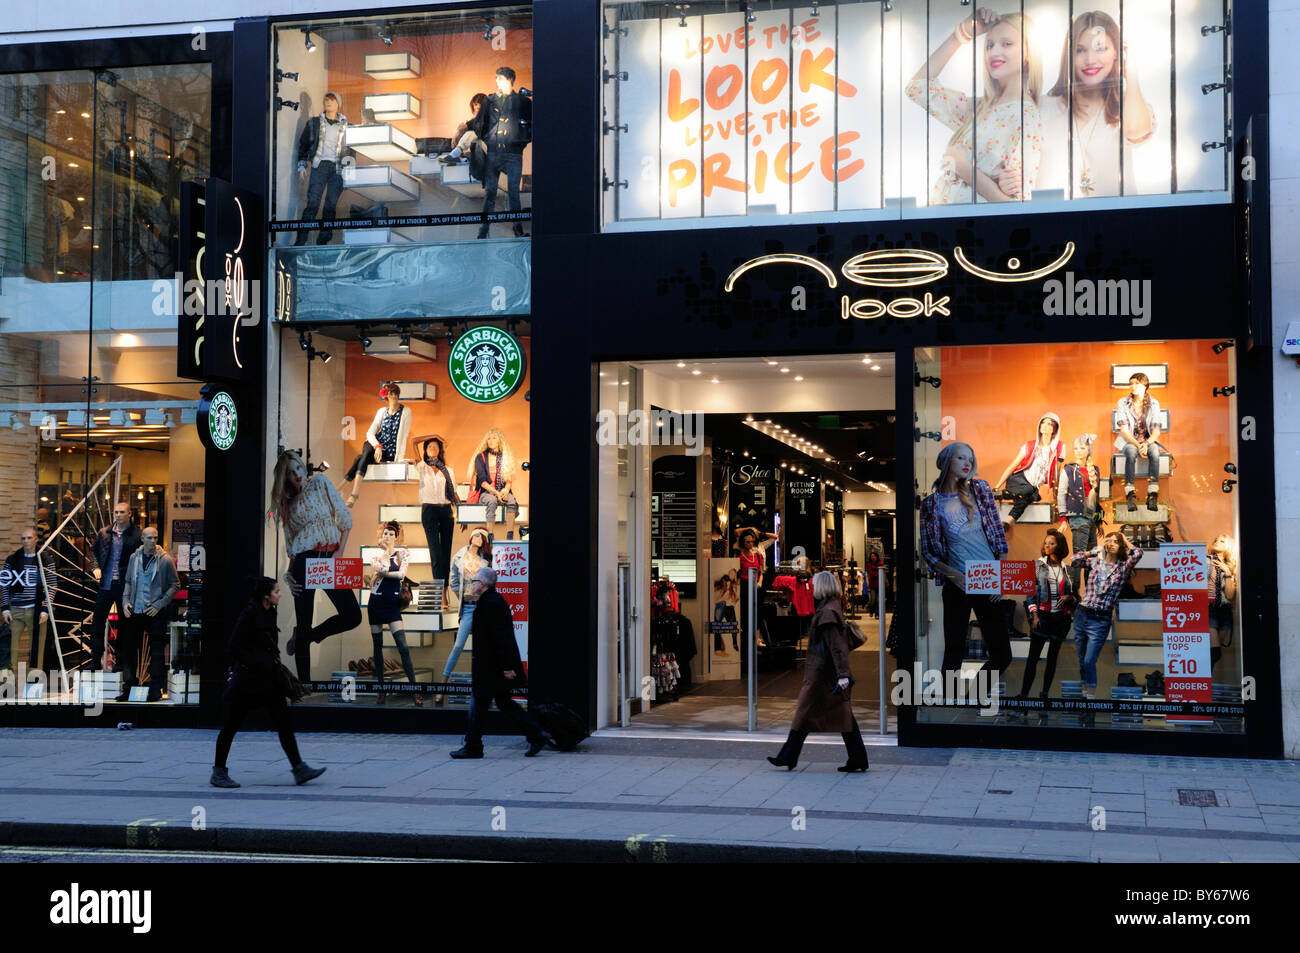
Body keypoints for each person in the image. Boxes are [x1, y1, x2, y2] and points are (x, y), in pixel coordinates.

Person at [906, 8, 1042, 205]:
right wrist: (961, 34)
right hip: (944, 222)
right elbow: (917, 88)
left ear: (1029, 52)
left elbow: (1017, 207)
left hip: (974, 228)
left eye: (1007, 44)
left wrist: (964, 168)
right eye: (989, 45)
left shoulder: (1025, 116)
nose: (994, 52)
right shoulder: (980, 108)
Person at [211, 577, 326, 788]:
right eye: (276, 591)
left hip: (269, 681)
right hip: (248, 683)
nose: (280, 594)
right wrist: (255, 662)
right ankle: (218, 772)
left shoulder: (270, 611)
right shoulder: (249, 615)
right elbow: (234, 647)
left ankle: (299, 768)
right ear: (266, 596)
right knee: (231, 726)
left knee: (283, 723)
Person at [919, 442, 1013, 679]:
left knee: (1002, 654)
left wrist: (998, 579)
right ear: (948, 462)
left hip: (986, 576)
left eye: (969, 458)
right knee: (954, 651)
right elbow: (928, 552)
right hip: (957, 582)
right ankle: (946, 705)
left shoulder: (980, 489)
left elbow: (1000, 539)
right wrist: (953, 575)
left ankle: (975, 697)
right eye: (961, 458)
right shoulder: (931, 504)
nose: (967, 463)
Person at [1040, 11, 1154, 198]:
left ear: (1117, 53)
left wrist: (1130, 72)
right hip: (1056, 221)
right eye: (1080, 50)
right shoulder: (1044, 106)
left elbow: (1135, 131)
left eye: (1100, 48)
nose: (1090, 60)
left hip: (1115, 220)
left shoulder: (1127, 106)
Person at [271, 450, 362, 683]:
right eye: (291, 473)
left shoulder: (320, 482)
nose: (297, 475)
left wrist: (339, 554)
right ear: (285, 478)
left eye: (299, 468)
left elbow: (344, 518)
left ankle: (309, 636)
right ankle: (304, 685)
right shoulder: (287, 503)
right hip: (304, 562)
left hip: (329, 556)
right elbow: (291, 541)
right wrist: (290, 574)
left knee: (352, 615)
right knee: (303, 621)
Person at [767, 571, 868, 773]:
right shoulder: (829, 608)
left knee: (807, 713)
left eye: (814, 585)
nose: (811, 588)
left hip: (822, 674)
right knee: (840, 715)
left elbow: (837, 647)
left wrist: (843, 675)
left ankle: (788, 756)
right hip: (825, 672)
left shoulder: (827, 612)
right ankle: (856, 758)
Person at [449, 568, 549, 759]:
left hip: (491, 668)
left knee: (480, 705)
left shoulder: (492, 604)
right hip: (491, 667)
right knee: (503, 704)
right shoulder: (488, 602)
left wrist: (508, 667)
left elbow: (502, 638)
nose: (473, 583)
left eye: (476, 580)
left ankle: (473, 746)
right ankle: (535, 736)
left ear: (484, 583)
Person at [1066, 532, 1144, 699]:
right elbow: (1073, 561)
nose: (1111, 543)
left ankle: (1091, 701)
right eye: (1109, 540)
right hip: (1082, 614)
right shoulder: (1096, 561)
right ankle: (1084, 695)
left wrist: (1123, 537)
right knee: (1081, 660)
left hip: (1100, 619)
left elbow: (1138, 553)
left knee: (1089, 660)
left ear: (1121, 545)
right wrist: (1092, 551)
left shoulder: (1123, 566)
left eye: (1116, 542)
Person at [118, 526, 180, 702]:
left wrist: (160, 604)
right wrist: (124, 602)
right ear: (142, 539)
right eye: (150, 538)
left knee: (157, 651)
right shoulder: (134, 558)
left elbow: (175, 585)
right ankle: (129, 687)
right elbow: (128, 581)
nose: (153, 541)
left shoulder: (165, 560)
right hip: (135, 609)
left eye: (155, 538)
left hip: (154, 611)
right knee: (130, 650)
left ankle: (155, 688)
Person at [437, 527, 492, 704]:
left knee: (483, 649)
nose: (479, 539)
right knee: (458, 645)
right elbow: (453, 583)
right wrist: (462, 598)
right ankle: (442, 687)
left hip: (482, 608)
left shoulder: (485, 561)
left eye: (482, 537)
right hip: (468, 608)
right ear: (471, 537)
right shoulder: (459, 557)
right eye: (476, 535)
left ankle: (485, 691)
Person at [1018, 529, 1075, 699]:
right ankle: (1024, 697)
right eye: (1045, 543)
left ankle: (1044, 696)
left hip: (1061, 619)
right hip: (1042, 617)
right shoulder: (1036, 565)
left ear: (1060, 546)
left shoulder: (1068, 570)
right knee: (1032, 658)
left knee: (1052, 659)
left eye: (1052, 543)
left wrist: (1070, 597)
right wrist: (1034, 616)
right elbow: (1029, 596)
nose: (1047, 546)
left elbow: (1076, 596)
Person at [477, 66, 532, 239]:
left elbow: (533, 122)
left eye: (500, 78)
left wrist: (521, 140)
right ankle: (483, 231)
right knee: (490, 192)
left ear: (509, 79)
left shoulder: (522, 101)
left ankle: (517, 230)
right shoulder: (490, 100)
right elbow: (480, 122)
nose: (497, 81)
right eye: (496, 78)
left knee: (513, 191)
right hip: (495, 152)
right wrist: (489, 138)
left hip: (513, 152)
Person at [368, 521, 419, 705]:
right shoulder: (376, 556)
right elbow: (380, 569)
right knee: (377, 647)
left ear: (396, 536)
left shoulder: (403, 553)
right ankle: (381, 691)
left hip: (392, 604)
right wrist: (385, 570)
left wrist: (383, 573)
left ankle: (415, 691)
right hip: (375, 602)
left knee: (403, 646)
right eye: (385, 533)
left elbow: (401, 575)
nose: (388, 536)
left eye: (391, 534)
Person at [89, 502, 142, 672]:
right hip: (105, 584)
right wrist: (95, 567)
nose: (118, 515)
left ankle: (120, 660)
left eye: (121, 512)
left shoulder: (137, 535)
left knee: (124, 624)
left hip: (124, 585)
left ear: (129, 514)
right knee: (97, 621)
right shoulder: (105, 532)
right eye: (116, 512)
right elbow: (94, 551)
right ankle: (96, 659)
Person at [294, 90, 350, 246]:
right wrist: (302, 164)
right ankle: (301, 241)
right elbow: (303, 144)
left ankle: (323, 241)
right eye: (326, 100)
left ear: (338, 104)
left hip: (338, 170)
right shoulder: (314, 122)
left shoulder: (347, 126)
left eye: (332, 100)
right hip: (320, 166)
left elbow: (351, 151)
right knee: (312, 203)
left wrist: (350, 176)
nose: (328, 102)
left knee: (330, 205)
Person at [343, 382, 411, 508]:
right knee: (368, 450)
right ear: (387, 397)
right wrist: (377, 446)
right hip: (376, 446)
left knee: (360, 458)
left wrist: (398, 460)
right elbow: (370, 432)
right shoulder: (381, 411)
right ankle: (354, 493)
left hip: (389, 452)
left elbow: (403, 437)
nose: (394, 397)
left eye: (396, 394)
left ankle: (343, 489)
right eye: (391, 394)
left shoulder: (406, 412)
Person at [2, 527, 57, 675]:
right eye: (23, 538)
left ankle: (33, 682)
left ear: (36, 539)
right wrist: (5, 608)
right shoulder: (13, 560)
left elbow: (52, 586)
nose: (26, 541)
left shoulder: (45, 559)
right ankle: (8, 680)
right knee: (10, 647)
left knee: (37, 649)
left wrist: (46, 608)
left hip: (37, 609)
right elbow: (5, 585)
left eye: (29, 538)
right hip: (16, 609)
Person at [994, 412, 1063, 527]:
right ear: (1039, 427)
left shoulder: (1059, 448)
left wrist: (1056, 497)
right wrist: (997, 486)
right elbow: (1012, 467)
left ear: (1055, 429)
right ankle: (997, 494)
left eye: (1049, 424)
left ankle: (1007, 523)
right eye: (1043, 423)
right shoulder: (1029, 446)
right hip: (1018, 480)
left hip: (1031, 488)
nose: (1045, 426)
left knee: (1028, 498)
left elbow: (1056, 475)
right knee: (1028, 490)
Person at [1114, 372, 1166, 511]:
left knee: (1155, 452)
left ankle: (1152, 494)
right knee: (1131, 452)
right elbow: (1124, 431)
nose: (1133, 386)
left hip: (1148, 440)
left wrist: (1147, 444)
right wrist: (1138, 445)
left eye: (1136, 383)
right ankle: (1130, 494)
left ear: (1145, 385)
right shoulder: (1123, 402)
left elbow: (1156, 431)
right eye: (1131, 383)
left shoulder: (1154, 403)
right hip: (1129, 441)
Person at [414, 435, 458, 596]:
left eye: (435, 446)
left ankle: (444, 592)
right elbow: (414, 441)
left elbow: (453, 493)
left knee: (446, 552)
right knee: (436, 553)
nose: (432, 449)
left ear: (440, 450)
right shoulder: (422, 466)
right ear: (425, 450)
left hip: (446, 511)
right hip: (429, 511)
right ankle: (439, 591)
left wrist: (460, 512)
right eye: (429, 447)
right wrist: (435, 436)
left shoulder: (448, 470)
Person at [1057, 434, 1101, 590]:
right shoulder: (1069, 469)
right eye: (1076, 448)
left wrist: (1099, 518)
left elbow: (1097, 498)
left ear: (1089, 449)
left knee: (1093, 557)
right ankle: (1073, 593)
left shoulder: (1095, 470)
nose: (1078, 451)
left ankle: (1090, 593)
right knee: (1079, 556)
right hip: (1077, 517)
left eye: (1082, 448)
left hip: (1091, 518)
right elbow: (1061, 493)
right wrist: (1063, 518)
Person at [734, 526, 776, 673]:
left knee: (757, 614)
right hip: (745, 588)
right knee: (746, 617)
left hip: (756, 587)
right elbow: (737, 576)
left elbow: (760, 571)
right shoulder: (739, 558)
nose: (750, 544)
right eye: (747, 542)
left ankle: (758, 640)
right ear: (742, 543)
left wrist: (759, 581)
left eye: (752, 541)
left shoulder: (757, 555)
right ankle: (746, 648)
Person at [468, 428, 519, 537]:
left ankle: (510, 535)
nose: (491, 441)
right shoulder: (480, 457)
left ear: (500, 440)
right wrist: (497, 493)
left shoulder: (505, 456)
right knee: (492, 501)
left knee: (511, 501)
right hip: (486, 492)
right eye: (489, 438)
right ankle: (490, 536)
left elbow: (508, 479)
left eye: (494, 438)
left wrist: (505, 491)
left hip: (502, 490)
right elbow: (482, 481)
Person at [437, 92, 489, 174]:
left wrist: (464, 128)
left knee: (472, 134)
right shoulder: (472, 122)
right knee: (468, 135)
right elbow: (467, 127)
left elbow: (479, 128)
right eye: (475, 104)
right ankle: (462, 156)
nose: (477, 107)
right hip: (475, 151)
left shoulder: (490, 118)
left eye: (480, 104)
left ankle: (457, 154)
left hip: (489, 149)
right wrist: (458, 133)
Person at [1207, 534, 1238, 671]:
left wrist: (1227, 572)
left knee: (1213, 653)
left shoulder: (1228, 567)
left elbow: (1230, 595)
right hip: (1209, 607)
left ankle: (1202, 684)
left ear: (1228, 547)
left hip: (1224, 609)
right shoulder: (1205, 561)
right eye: (1216, 538)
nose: (1217, 540)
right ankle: (1200, 684)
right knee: (1215, 652)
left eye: (1222, 540)